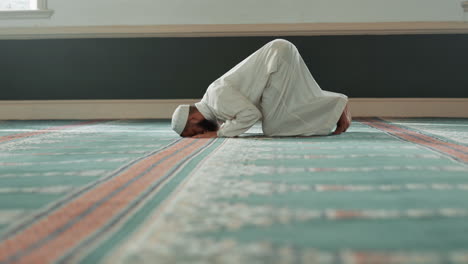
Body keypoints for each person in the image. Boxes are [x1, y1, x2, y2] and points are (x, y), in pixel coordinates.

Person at [171, 39, 351, 138]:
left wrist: (219, 134)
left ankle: (338, 103)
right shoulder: (213, 98)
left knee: (275, 127)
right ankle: (336, 104)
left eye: (195, 132)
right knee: (293, 106)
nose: (202, 134)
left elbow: (251, 115)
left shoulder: (216, 100)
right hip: (278, 55)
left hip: (277, 60)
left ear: (193, 119)